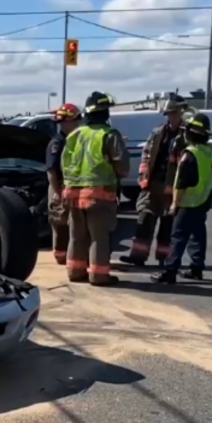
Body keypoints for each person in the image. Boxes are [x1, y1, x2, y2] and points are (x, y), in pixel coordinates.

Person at [60, 91, 130, 286]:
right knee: (99, 238)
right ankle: (99, 276)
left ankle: (75, 272)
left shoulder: (75, 135)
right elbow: (123, 168)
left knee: (76, 236)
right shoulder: (109, 135)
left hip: (73, 193)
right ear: (105, 112)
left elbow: (64, 164)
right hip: (99, 195)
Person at [151, 113, 212, 284]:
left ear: (189, 134)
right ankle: (196, 268)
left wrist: (174, 205)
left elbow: (181, 183)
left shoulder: (189, 154)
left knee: (178, 237)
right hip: (204, 200)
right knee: (198, 234)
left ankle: (170, 271)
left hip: (187, 202)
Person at [119, 96, 188, 267]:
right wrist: (143, 177)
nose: (170, 117)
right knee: (144, 220)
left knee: (167, 225)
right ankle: (138, 256)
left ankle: (164, 259)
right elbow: (147, 153)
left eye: (173, 113)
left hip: (173, 186)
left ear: (181, 112)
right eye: (169, 113)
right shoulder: (158, 132)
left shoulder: (187, 134)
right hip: (153, 184)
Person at [45, 103, 82, 265]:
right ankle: (61, 258)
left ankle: (71, 256)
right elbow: (51, 171)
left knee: (74, 225)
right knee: (60, 224)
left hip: (73, 188)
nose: (78, 124)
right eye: (75, 121)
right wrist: (57, 193)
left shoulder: (76, 140)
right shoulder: (57, 143)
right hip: (59, 187)